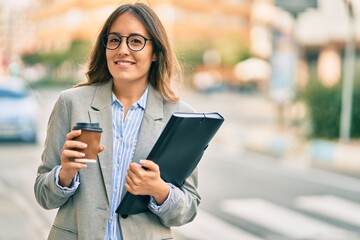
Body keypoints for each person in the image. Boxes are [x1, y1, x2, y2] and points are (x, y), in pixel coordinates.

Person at [34, 3, 201, 240]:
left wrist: (159, 190)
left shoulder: (180, 117)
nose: (122, 49)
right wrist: (65, 174)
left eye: (135, 41)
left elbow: (188, 208)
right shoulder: (72, 104)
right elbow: (43, 194)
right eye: (114, 40)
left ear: (155, 52)